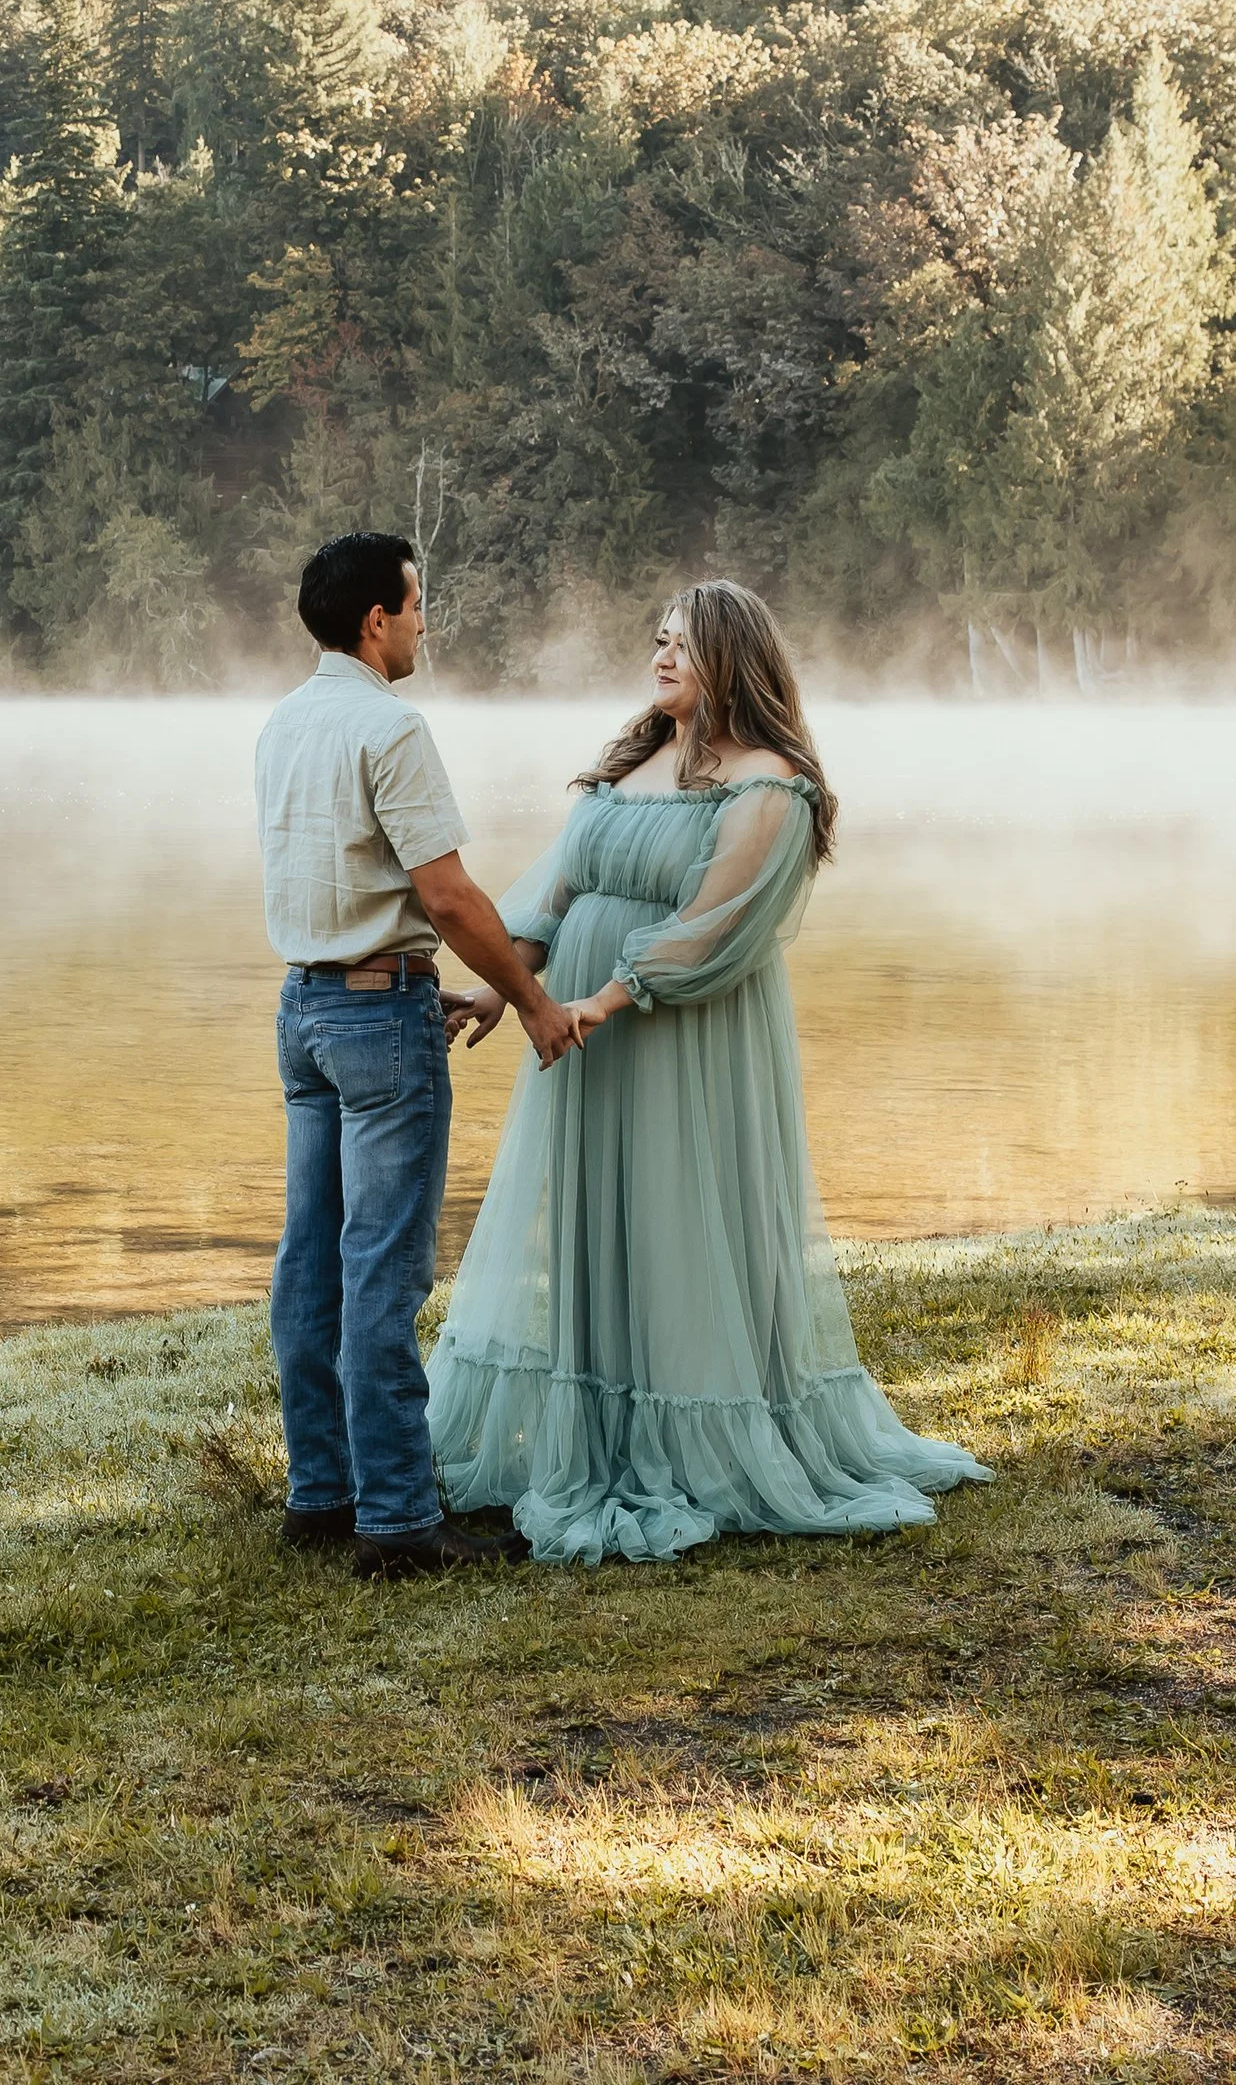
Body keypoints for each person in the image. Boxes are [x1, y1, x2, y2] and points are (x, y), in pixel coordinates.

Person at [426, 579, 992, 1564]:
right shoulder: (635, 759)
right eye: (656, 640)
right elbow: (557, 885)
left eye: (681, 646)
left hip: (674, 1035)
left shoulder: (768, 782)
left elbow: (714, 924)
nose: (659, 657)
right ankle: (596, 1430)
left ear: (732, 659)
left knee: (678, 1216)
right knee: (599, 1223)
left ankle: (698, 1437)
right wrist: (504, 986)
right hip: (581, 1037)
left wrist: (602, 997)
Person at [256, 530, 581, 1579]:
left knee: (310, 1259)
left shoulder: (283, 724)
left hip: (306, 1009)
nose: (423, 621)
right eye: (415, 602)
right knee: (380, 1271)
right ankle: (397, 1521)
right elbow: (443, 894)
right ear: (375, 622)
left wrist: (395, 972)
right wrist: (528, 997)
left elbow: (336, 881)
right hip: (375, 1025)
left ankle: (323, 1491)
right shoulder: (388, 729)